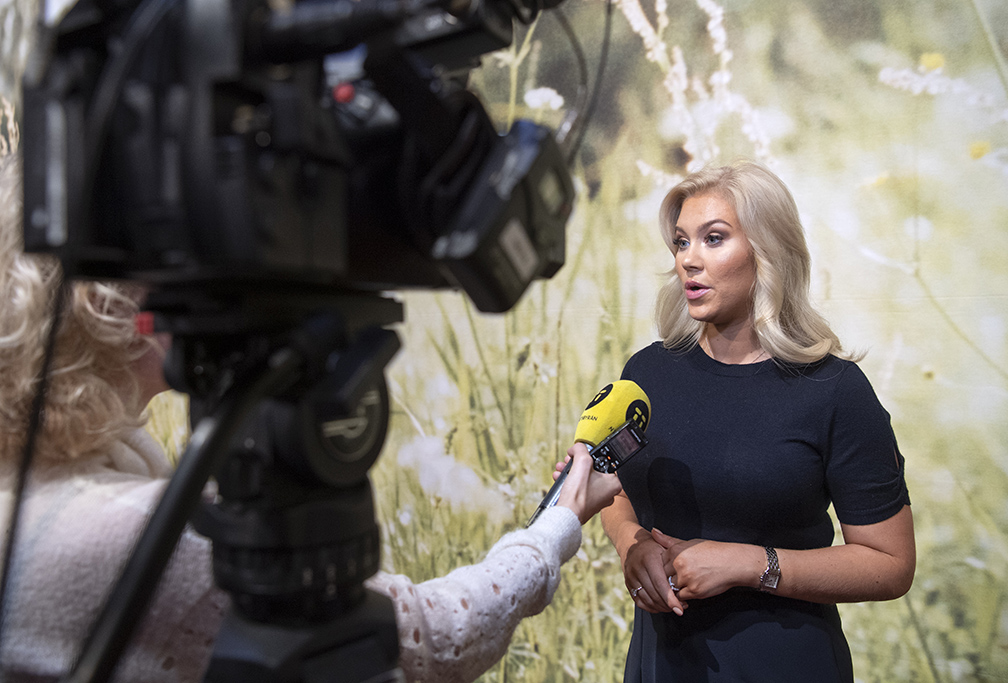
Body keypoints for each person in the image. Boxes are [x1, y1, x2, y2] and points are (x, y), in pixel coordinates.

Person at [0, 151, 621, 682]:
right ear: (107, 305)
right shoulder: (125, 536)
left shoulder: (37, 481)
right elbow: (433, 641)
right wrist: (557, 525)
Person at [601, 160, 915, 682]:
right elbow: (612, 485)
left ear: (767, 250)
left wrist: (751, 565)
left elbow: (891, 564)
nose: (688, 260)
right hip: (662, 665)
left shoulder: (834, 390)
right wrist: (630, 544)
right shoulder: (646, 373)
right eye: (681, 242)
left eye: (713, 239)